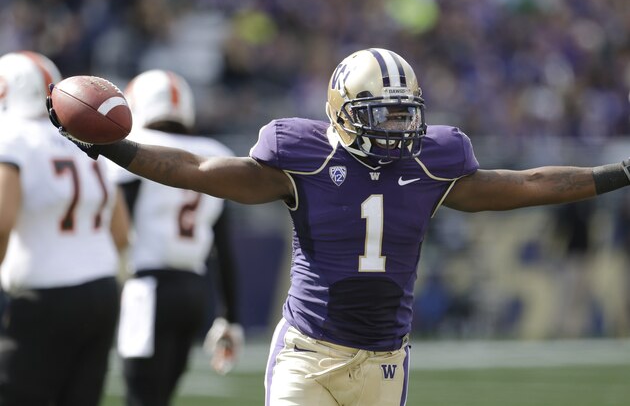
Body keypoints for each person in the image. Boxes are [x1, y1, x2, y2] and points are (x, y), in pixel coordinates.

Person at [47, 48, 630, 406]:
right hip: (307, 352)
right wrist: (114, 149)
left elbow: (530, 183)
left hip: (384, 360)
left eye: (404, 113)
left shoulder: (433, 162)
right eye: (381, 114)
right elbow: (196, 168)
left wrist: (620, 172)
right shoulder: (302, 159)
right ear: (340, 112)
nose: (397, 128)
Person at [0, 51, 130, 405]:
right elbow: (121, 232)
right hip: (102, 291)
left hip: (43, 293)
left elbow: (2, 221)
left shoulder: (11, 136)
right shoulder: (87, 139)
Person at [112, 69, 243, 406]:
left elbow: (119, 226)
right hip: (193, 291)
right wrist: (230, 316)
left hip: (148, 288)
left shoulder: (135, 149)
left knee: (140, 396)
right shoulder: (213, 152)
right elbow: (223, 248)